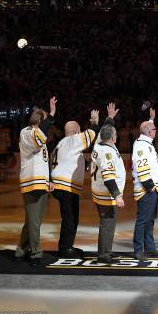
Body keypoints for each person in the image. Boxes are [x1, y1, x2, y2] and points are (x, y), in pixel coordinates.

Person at [50, 107, 104, 258]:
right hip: (65, 185)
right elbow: (91, 133)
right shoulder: (73, 140)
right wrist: (94, 122)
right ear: (75, 131)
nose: (81, 132)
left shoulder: (61, 144)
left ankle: (66, 246)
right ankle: (65, 248)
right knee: (71, 217)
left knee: (69, 217)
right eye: (79, 130)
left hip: (59, 184)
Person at [15, 97, 57, 267]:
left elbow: (44, 161)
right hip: (32, 182)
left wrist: (49, 180)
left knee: (32, 219)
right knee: (34, 221)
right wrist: (51, 115)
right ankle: (36, 254)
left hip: (40, 182)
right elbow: (39, 138)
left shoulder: (37, 135)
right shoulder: (27, 132)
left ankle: (21, 249)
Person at [90, 108, 126, 264]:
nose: (116, 136)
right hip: (106, 194)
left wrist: (110, 117)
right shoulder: (107, 153)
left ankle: (104, 252)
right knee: (107, 223)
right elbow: (108, 177)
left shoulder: (99, 142)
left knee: (106, 222)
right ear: (112, 138)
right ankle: (104, 255)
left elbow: (104, 130)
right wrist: (117, 195)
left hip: (98, 191)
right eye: (115, 134)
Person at [131, 107, 158, 260]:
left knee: (149, 220)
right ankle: (138, 250)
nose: (156, 130)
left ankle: (149, 247)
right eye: (154, 129)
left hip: (151, 189)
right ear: (150, 132)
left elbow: (146, 128)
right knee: (143, 220)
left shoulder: (145, 141)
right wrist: (150, 187)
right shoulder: (142, 146)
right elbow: (142, 168)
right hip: (147, 190)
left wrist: (151, 119)